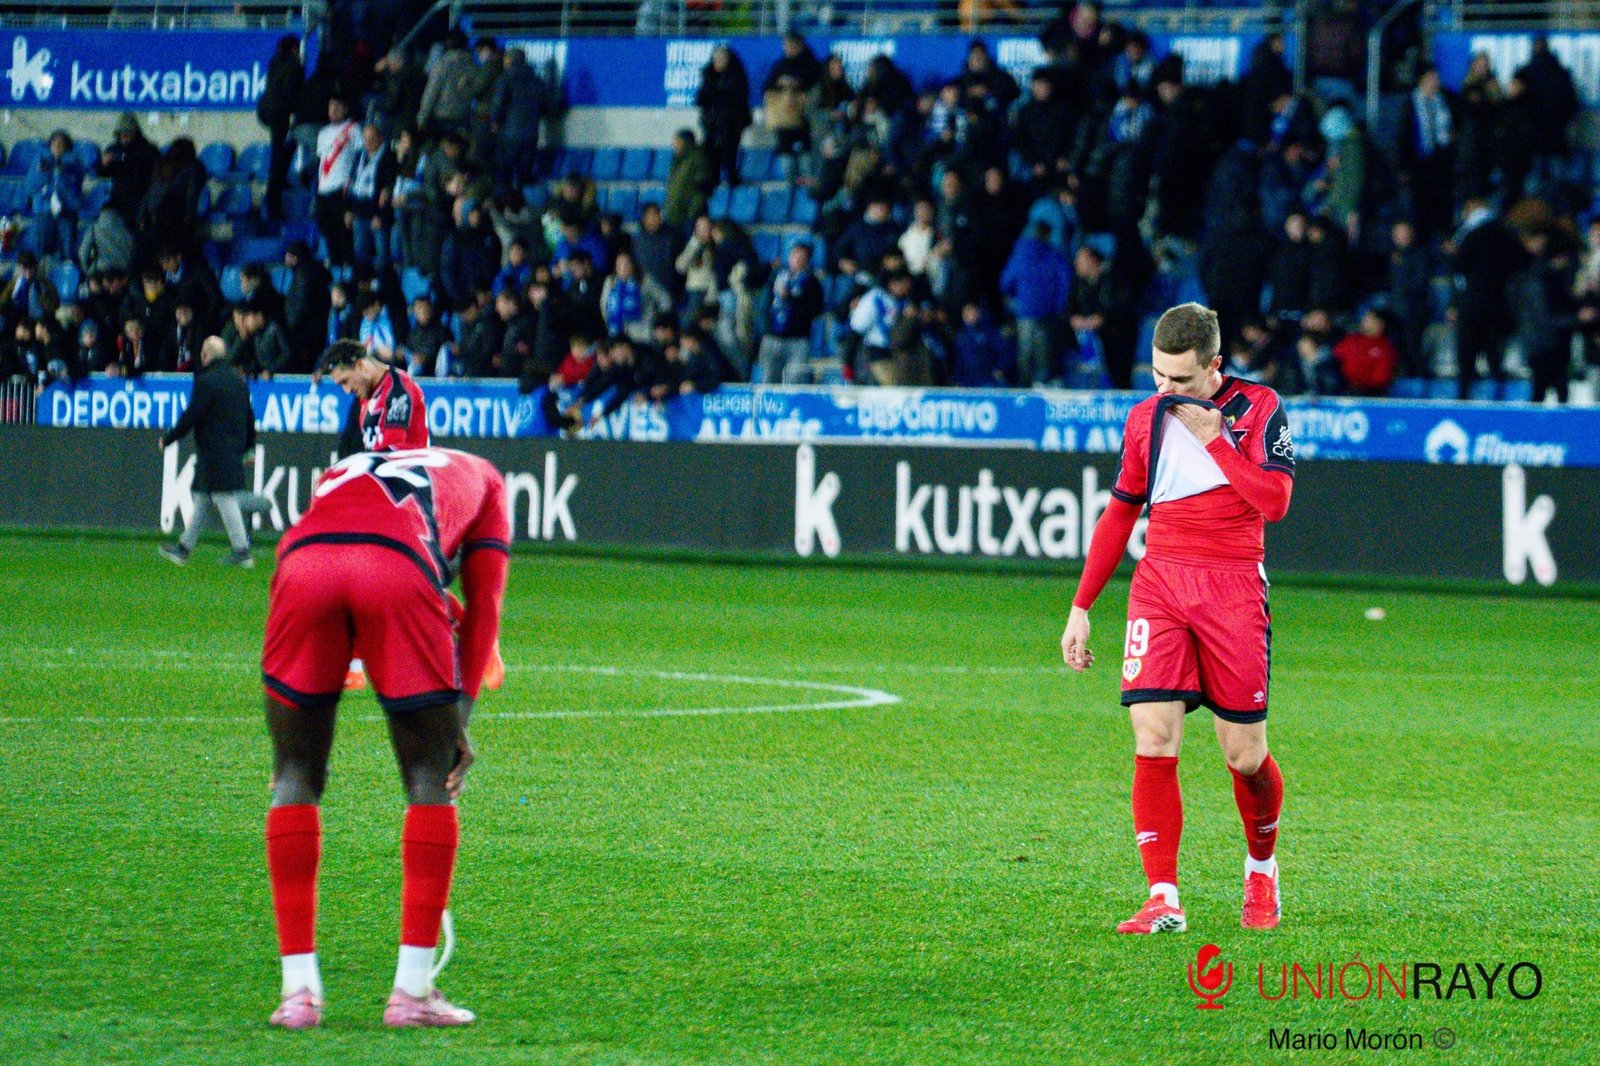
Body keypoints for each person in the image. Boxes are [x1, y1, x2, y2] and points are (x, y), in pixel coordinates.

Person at [1061, 303, 1295, 936]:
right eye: (1158, 378)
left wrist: (1216, 439)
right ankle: (1163, 896)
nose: (1165, 392)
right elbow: (1119, 513)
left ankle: (1261, 871)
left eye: (1180, 381)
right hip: (1160, 583)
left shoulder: (1259, 408)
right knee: (1154, 738)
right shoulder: (1144, 420)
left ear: (1215, 366)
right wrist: (1082, 606)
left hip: (1233, 589)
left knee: (1244, 756)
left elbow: (1274, 503)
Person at [259, 443, 509, 1029]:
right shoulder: (487, 481)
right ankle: (412, 992)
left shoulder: (345, 465)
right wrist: (459, 718)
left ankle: (297, 994)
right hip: (397, 564)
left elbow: (332, 541)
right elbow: (486, 604)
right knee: (429, 777)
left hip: (300, 565)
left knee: (294, 772)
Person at [157, 336, 259, 568]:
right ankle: (183, 549)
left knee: (224, 497)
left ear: (205, 355)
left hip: (213, 450)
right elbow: (249, 417)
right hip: (233, 449)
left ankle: (242, 551)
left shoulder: (206, 381)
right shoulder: (238, 381)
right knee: (203, 497)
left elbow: (191, 416)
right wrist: (249, 448)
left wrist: (168, 438)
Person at [756, 241, 825, 384]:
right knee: (768, 381)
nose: (797, 260)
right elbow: (764, 303)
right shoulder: (776, 276)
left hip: (797, 340)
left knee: (795, 381)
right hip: (772, 338)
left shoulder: (812, 283)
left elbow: (815, 311)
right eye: (794, 256)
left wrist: (792, 298)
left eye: (802, 258)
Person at [257, 36, 304, 220]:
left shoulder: (275, 62)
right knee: (281, 153)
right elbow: (292, 93)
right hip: (280, 113)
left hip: (267, 111)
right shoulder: (294, 66)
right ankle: (273, 197)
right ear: (294, 48)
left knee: (280, 151)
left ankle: (279, 182)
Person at [695, 45, 752, 189]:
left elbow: (738, 101)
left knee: (729, 156)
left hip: (730, 126)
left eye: (722, 59)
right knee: (710, 158)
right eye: (716, 59)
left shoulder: (737, 78)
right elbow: (700, 99)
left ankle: (732, 182)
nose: (718, 63)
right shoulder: (708, 77)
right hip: (711, 126)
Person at [316, 97, 359, 270]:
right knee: (329, 238)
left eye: (337, 107)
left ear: (345, 109)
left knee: (345, 238)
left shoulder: (353, 128)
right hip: (323, 191)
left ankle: (348, 276)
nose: (332, 110)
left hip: (341, 190)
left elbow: (360, 156)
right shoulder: (323, 132)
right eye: (330, 106)